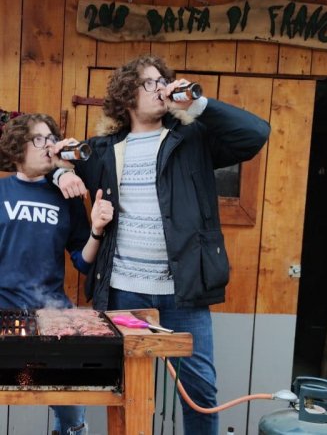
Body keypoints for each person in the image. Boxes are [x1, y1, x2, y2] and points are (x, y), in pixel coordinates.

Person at [52, 55, 271, 434]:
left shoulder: (193, 139)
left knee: (200, 390)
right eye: (149, 83)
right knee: (124, 388)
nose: (160, 88)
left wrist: (198, 104)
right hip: (122, 292)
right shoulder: (101, 150)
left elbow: (254, 135)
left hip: (181, 293)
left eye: (162, 81)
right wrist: (59, 173)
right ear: (127, 96)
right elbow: (46, 163)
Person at [0, 113, 114, 435]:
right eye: (39, 139)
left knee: (71, 410)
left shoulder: (67, 198)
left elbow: (82, 261)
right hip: (4, 315)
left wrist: (96, 229)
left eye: (51, 139)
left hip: (52, 317)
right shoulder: (2, 192)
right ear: (17, 147)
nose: (48, 145)